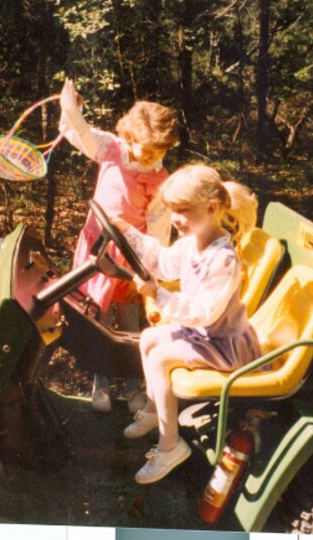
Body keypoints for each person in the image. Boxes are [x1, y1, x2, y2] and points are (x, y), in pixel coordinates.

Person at [111, 164, 261, 484]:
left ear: (210, 208)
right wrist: (126, 232)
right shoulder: (192, 242)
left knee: (161, 357)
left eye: (182, 211)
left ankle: (169, 447)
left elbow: (203, 313)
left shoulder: (224, 260)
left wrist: (159, 295)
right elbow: (163, 264)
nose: (176, 218)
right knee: (150, 338)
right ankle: (155, 411)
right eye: (173, 210)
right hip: (203, 334)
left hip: (224, 345)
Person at [58, 79, 178, 413]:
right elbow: (77, 132)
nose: (153, 156)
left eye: (160, 151)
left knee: (128, 316)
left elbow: (159, 226)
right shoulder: (110, 149)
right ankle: (102, 381)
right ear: (129, 136)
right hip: (97, 246)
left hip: (130, 255)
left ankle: (133, 384)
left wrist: (151, 269)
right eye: (147, 149)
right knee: (98, 312)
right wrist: (72, 108)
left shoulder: (160, 178)